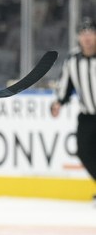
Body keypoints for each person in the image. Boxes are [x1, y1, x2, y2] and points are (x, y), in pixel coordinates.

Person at [51, 17, 96, 202]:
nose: (87, 38)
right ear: (78, 37)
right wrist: (58, 103)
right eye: (83, 33)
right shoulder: (72, 60)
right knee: (84, 151)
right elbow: (66, 85)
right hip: (87, 115)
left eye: (91, 33)